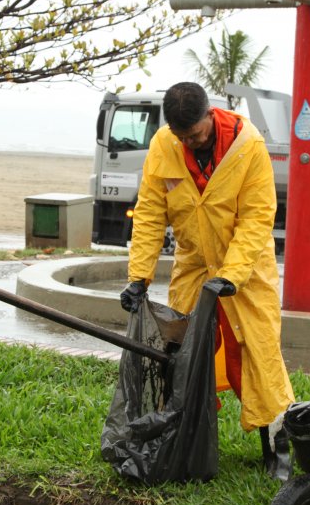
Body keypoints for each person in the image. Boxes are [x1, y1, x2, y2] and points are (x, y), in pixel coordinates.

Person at [120, 81, 295, 478]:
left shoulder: (248, 147)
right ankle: (185, 438)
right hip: (194, 265)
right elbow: (149, 213)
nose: (190, 143)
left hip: (247, 270)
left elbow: (257, 218)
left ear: (210, 117)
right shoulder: (164, 146)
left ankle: (277, 446)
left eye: (196, 135)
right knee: (179, 352)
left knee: (257, 354)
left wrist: (231, 275)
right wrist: (139, 278)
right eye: (182, 138)